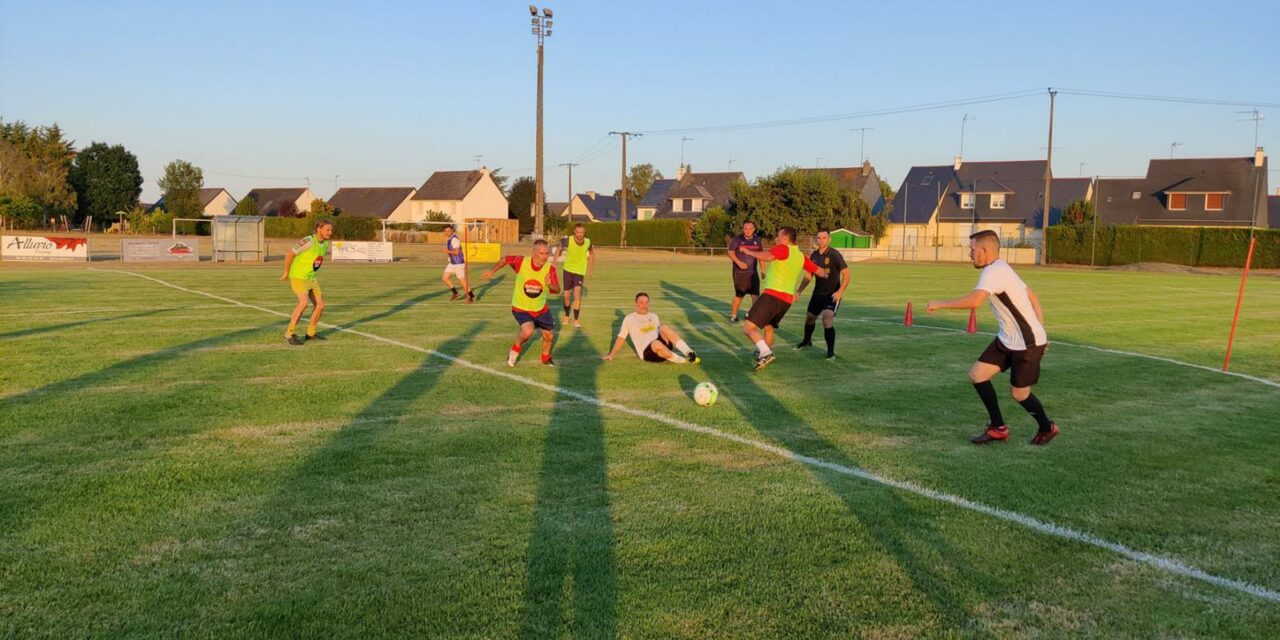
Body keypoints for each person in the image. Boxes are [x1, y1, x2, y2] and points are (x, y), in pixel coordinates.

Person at [927, 230, 1059, 446]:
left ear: (984, 250)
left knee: (1019, 394)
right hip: (1008, 339)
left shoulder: (994, 271)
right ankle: (998, 428)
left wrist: (940, 304)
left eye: (972, 250)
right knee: (978, 375)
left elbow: (975, 301)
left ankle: (1047, 427)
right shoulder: (1001, 267)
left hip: (1026, 344)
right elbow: (1032, 296)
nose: (970, 254)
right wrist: (1039, 328)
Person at [737, 227, 827, 371]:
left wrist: (748, 252)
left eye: (778, 236)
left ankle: (766, 353)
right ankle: (763, 353)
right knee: (768, 328)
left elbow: (768, 257)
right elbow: (820, 272)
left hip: (772, 295)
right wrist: (827, 274)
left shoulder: (783, 248)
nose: (776, 239)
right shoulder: (801, 256)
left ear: (785, 238)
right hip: (785, 301)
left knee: (748, 328)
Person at [482, 239, 562, 367]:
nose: (545, 256)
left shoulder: (550, 269)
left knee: (549, 336)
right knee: (527, 331)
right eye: (542, 253)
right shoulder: (522, 262)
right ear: (534, 253)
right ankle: (515, 349)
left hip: (540, 309)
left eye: (547, 253)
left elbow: (558, 290)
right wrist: (492, 271)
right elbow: (505, 259)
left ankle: (545, 357)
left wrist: (550, 284)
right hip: (521, 307)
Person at [794, 230, 850, 359]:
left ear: (829, 239)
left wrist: (840, 292)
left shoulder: (835, 254)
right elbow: (808, 276)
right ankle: (807, 341)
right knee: (809, 318)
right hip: (818, 294)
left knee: (827, 317)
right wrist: (799, 291)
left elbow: (847, 276)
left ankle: (830, 352)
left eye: (824, 238)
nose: (821, 240)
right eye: (818, 238)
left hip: (832, 295)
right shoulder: (814, 256)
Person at [278, 219, 334, 345]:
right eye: (327, 230)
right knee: (303, 303)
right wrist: (286, 272)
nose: (330, 232)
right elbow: (290, 254)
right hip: (299, 277)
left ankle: (310, 333)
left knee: (320, 306)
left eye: (331, 230)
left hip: (311, 278)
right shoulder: (308, 240)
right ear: (319, 229)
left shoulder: (325, 243)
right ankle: (289, 333)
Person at [602, 292, 700, 364]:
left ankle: (689, 352)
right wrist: (611, 355)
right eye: (641, 302)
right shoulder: (629, 319)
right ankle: (682, 361)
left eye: (646, 302)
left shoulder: (654, 316)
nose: (644, 305)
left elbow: (661, 334)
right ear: (636, 303)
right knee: (656, 344)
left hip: (661, 345)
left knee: (664, 327)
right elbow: (621, 338)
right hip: (647, 352)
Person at [553, 222, 594, 328]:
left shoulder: (588, 242)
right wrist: (554, 261)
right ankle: (566, 315)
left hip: (579, 271)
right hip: (568, 270)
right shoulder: (567, 240)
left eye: (582, 232)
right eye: (578, 232)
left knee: (577, 293)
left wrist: (590, 268)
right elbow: (559, 249)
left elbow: (592, 255)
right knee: (566, 295)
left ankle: (576, 319)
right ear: (574, 232)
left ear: (584, 233)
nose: (579, 234)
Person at [726, 220, 763, 322]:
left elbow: (761, 255)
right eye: (746, 228)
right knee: (740, 295)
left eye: (750, 228)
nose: (748, 231)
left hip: (753, 273)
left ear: (754, 229)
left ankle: (751, 315)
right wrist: (739, 263)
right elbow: (730, 253)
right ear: (743, 229)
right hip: (739, 273)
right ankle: (733, 316)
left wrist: (763, 270)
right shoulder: (737, 239)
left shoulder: (757, 240)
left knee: (755, 295)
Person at [441, 225, 474, 303]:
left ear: (452, 230)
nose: (447, 232)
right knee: (445, 278)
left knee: (462, 281)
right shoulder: (450, 239)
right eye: (445, 231)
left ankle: (471, 296)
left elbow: (456, 252)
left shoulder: (454, 239)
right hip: (452, 263)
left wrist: (446, 251)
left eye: (449, 230)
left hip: (458, 263)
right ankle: (455, 293)